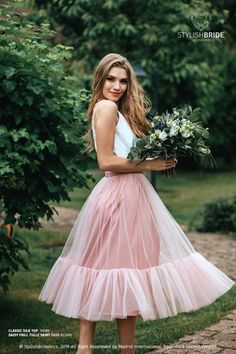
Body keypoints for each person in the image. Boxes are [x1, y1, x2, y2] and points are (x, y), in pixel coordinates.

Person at [38, 53, 234, 354]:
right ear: (100, 79)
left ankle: (116, 349)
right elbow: (106, 160)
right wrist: (150, 164)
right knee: (103, 266)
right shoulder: (105, 107)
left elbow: (125, 154)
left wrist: (162, 153)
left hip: (133, 196)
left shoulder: (119, 111)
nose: (116, 86)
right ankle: (85, 348)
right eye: (111, 79)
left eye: (123, 81)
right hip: (118, 195)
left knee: (125, 271)